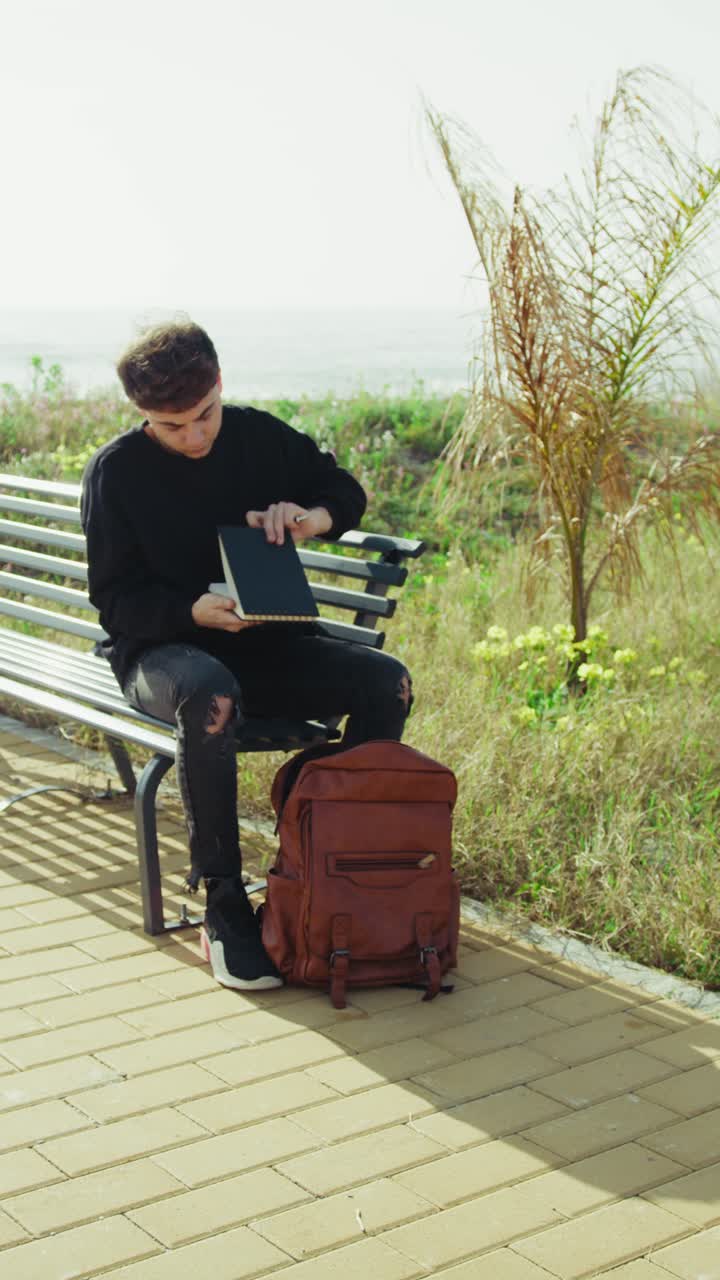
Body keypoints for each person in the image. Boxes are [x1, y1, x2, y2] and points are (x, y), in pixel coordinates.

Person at [81, 320, 413, 991]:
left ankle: (333, 865)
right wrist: (188, 612)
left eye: (204, 415)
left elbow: (342, 489)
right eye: (171, 426)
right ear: (141, 414)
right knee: (212, 693)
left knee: (388, 684)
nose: (195, 436)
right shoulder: (115, 474)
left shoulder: (260, 436)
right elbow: (115, 603)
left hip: (267, 644)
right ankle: (224, 905)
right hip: (164, 656)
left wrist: (311, 517)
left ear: (220, 384)